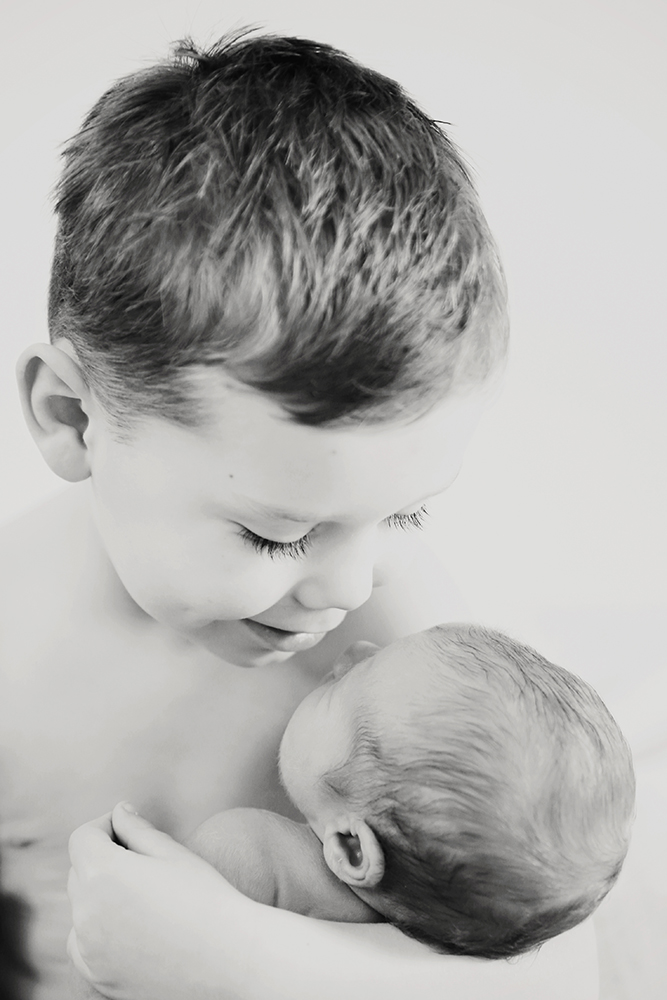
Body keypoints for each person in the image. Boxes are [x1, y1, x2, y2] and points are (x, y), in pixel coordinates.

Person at [2, 30, 599, 1000]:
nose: (352, 585)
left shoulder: (404, 669)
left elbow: (552, 962)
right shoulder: (10, 660)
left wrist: (239, 967)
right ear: (74, 419)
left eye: (406, 514)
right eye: (277, 532)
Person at [185, 623, 635, 956]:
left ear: (353, 850)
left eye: (342, 686)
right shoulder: (450, 957)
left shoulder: (250, 855)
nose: (353, 649)